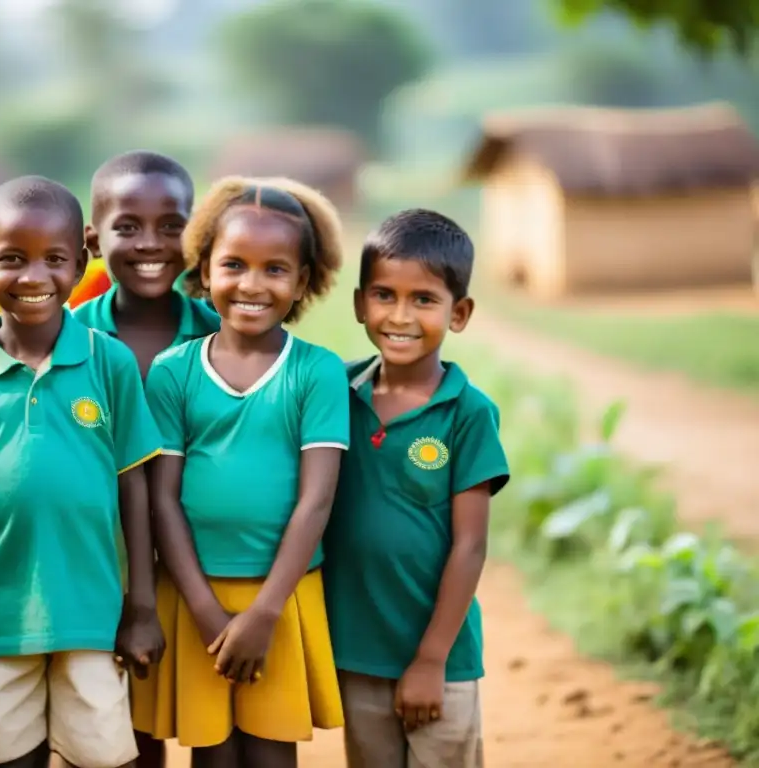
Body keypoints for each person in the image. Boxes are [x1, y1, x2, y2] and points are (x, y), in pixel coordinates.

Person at [0, 151, 217, 768]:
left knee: (120, 745)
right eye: (12, 259)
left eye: (53, 260)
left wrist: (140, 607)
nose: (33, 276)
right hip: (1, 617)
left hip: (113, 600)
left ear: (78, 261)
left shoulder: (183, 342)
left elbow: (134, 485)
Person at [133, 177, 349, 768]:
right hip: (194, 594)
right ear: (203, 271)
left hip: (281, 595)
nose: (252, 284)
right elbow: (164, 501)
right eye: (234, 265)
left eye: (275, 269)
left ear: (303, 281)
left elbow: (316, 502)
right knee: (213, 756)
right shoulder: (173, 373)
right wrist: (206, 612)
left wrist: (264, 613)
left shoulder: (316, 372)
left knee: (271, 753)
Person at [323, 209, 510, 768]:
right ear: (360, 303)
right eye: (384, 295)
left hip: (441, 661)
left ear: (460, 313)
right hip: (357, 652)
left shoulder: (468, 413)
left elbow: (469, 545)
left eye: (424, 300)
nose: (400, 316)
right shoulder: (334, 392)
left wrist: (430, 659)